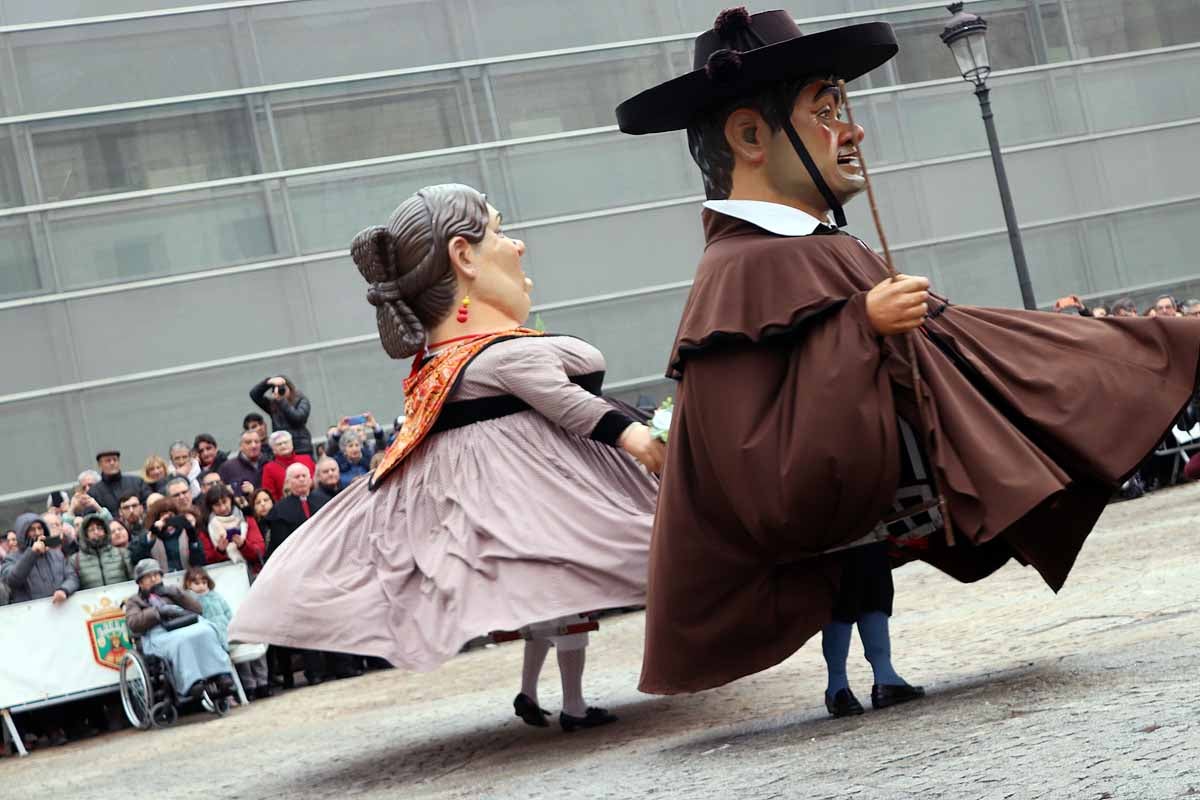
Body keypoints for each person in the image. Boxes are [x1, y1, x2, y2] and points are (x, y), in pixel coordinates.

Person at [614, 7, 1200, 711]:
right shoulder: (738, 271)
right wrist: (858, 326)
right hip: (829, 515)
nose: (853, 129)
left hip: (876, 499)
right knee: (851, 589)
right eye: (825, 110)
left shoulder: (821, 244)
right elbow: (745, 437)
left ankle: (878, 672)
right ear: (748, 136)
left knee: (1071, 358)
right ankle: (844, 681)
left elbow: (939, 345)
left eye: (844, 106)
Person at [232, 184, 662, 731]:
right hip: (541, 512)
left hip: (518, 511)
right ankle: (570, 705)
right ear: (463, 256)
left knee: (547, 612)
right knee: (564, 607)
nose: (517, 246)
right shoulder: (499, 358)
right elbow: (571, 404)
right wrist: (639, 440)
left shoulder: (438, 363)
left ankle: (534, 695)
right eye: (500, 230)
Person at [123, 559, 234, 702]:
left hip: (183, 624)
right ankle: (191, 683)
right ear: (140, 582)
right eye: (148, 576)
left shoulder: (171, 591)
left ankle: (221, 675)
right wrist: (157, 612)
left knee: (207, 630)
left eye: (156, 575)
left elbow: (198, 609)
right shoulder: (134, 601)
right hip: (157, 633)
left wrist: (176, 594)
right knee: (181, 641)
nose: (153, 579)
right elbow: (133, 623)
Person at [1, 513, 79, 603]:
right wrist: (32, 553)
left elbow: (72, 577)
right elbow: (12, 581)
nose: (37, 533)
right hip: (30, 613)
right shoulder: (11, 559)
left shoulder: (57, 555)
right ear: (23, 533)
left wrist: (64, 590)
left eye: (40, 528)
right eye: (32, 529)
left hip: (59, 610)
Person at [201, 484, 266, 574]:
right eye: (217, 505)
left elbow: (260, 550)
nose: (223, 508)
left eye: (224, 502)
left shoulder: (246, 520)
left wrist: (243, 545)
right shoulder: (206, 527)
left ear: (231, 500)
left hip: (251, 572)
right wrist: (220, 551)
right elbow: (207, 560)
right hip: (223, 575)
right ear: (210, 507)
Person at [250, 376, 313, 456]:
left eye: (282, 388)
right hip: (281, 449)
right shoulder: (273, 405)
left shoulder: (301, 400)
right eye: (277, 388)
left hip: (300, 448)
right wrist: (268, 382)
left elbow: (298, 418)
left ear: (289, 387)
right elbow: (254, 395)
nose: (280, 391)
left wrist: (282, 400)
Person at [74, 514, 133, 589]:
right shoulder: (76, 559)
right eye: (91, 530)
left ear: (105, 531)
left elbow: (133, 578)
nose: (96, 532)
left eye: (99, 528)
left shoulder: (122, 553)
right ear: (85, 534)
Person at [88, 449, 147, 516]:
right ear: (100, 465)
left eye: (115, 460)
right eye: (108, 461)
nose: (112, 463)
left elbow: (148, 503)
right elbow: (90, 515)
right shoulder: (94, 491)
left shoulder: (137, 482)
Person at [259, 431, 315, 502]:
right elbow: (270, 495)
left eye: (286, 442)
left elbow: (315, 482)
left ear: (292, 444)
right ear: (273, 450)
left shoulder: (306, 459)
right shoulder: (269, 468)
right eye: (279, 444)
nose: (283, 445)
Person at [219, 430, 265, 499]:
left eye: (257, 442)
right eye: (248, 442)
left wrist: (254, 491)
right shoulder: (228, 467)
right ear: (241, 446)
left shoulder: (268, 464)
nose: (253, 445)